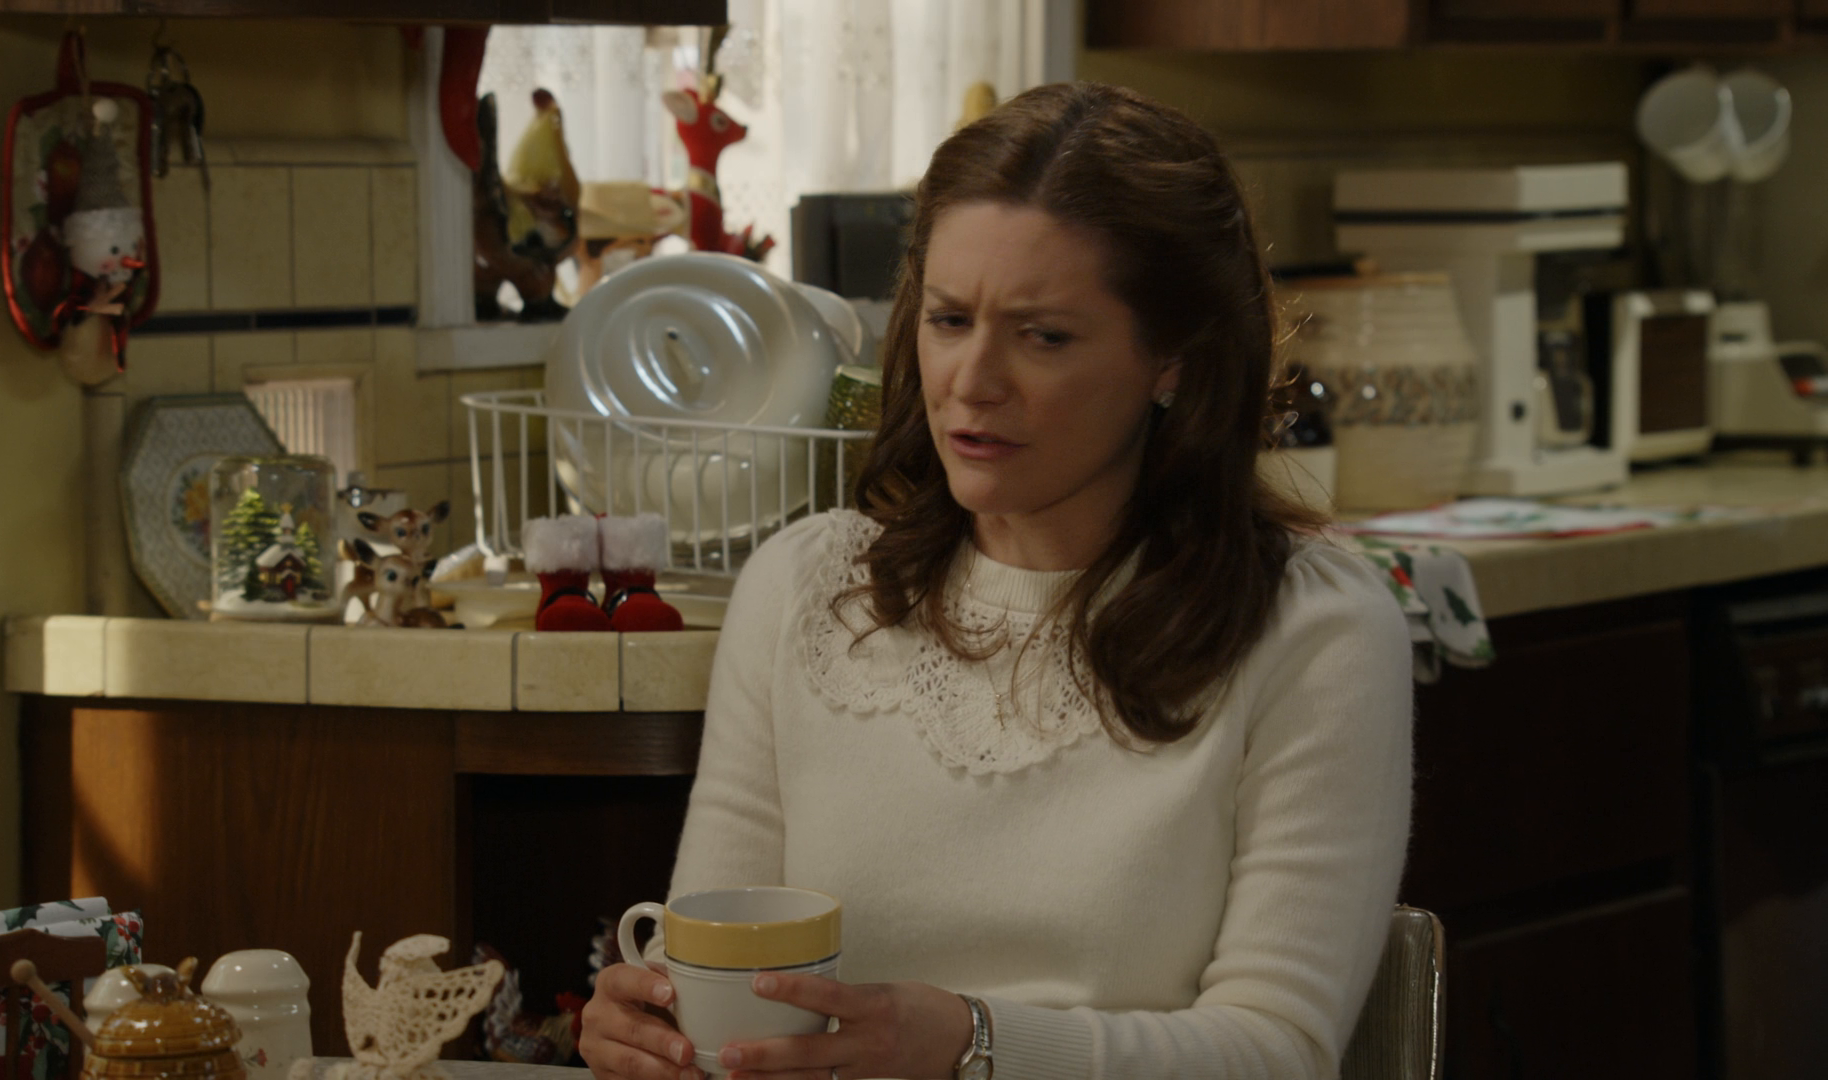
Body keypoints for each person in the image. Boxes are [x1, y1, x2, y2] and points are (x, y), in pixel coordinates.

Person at [580, 80, 1413, 1080]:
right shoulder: (804, 589)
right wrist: (651, 1030)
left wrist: (973, 1044)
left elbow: (1280, 1053)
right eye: (948, 320)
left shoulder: (1313, 630)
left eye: (1043, 336)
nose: (972, 381)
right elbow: (722, 982)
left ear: (1175, 361)